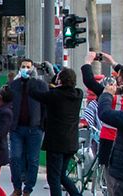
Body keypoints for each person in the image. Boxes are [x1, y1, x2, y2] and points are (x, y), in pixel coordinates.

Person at [27, 67, 82, 196]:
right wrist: (54, 76)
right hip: (71, 142)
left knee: (53, 178)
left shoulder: (54, 95)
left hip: (56, 143)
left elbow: (34, 93)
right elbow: (58, 87)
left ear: (60, 80)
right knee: (62, 175)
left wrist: (33, 78)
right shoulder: (78, 94)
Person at [81, 53, 123, 171]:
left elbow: (89, 81)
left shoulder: (110, 93)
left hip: (109, 137)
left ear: (120, 79)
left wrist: (87, 62)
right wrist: (112, 62)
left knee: (107, 171)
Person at [3, 60, 48, 196]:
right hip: (16, 128)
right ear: (19, 69)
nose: (26, 69)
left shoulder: (40, 85)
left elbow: (45, 106)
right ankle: (17, 187)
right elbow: (6, 103)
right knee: (15, 157)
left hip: (34, 128)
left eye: (28, 67)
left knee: (33, 159)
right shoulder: (13, 85)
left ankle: (28, 189)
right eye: (23, 67)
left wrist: (42, 125)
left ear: (33, 69)